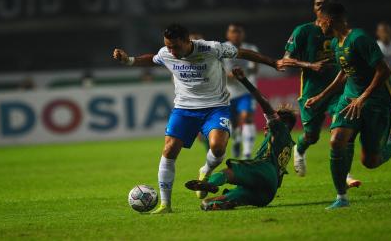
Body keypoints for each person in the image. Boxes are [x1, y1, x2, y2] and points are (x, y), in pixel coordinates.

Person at [112, 24, 282, 214]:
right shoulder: (166, 53)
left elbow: (242, 53)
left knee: (218, 149)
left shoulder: (212, 48)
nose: (171, 51)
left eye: (175, 46)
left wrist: (273, 63)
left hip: (216, 107)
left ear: (187, 41)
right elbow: (152, 59)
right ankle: (165, 205)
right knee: (169, 150)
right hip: (184, 109)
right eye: (168, 46)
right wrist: (129, 60)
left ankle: (206, 171)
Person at [307, 3, 391, 209]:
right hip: (350, 98)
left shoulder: (360, 39)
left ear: (329, 20)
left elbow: (384, 71)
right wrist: (321, 96)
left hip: (377, 102)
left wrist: (363, 98)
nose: (318, 25)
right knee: (336, 141)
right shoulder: (336, 43)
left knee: (371, 161)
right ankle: (341, 198)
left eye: (320, 20)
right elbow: (344, 72)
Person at [277, 0, 361, 188]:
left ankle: (345, 173)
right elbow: (285, 61)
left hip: (339, 90)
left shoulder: (342, 33)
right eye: (317, 4)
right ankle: (300, 149)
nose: (320, 7)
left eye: (325, 3)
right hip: (312, 92)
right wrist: (310, 65)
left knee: (343, 130)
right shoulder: (303, 31)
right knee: (311, 135)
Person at [185, 67, 295, 211]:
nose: (266, 125)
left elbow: (263, 100)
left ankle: (211, 182)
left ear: (281, 121)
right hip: (267, 193)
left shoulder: (280, 127)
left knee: (228, 172)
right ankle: (226, 202)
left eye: (270, 121)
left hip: (264, 171)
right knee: (206, 204)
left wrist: (244, 80)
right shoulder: (288, 142)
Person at [223, 23, 259, 159]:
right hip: (228, 93)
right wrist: (229, 75)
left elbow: (255, 68)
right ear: (228, 34)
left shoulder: (251, 48)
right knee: (233, 124)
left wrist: (245, 72)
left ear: (243, 34)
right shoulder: (221, 49)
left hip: (246, 91)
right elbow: (217, 70)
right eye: (233, 32)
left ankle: (247, 153)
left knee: (247, 118)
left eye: (239, 32)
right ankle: (237, 141)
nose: (236, 34)